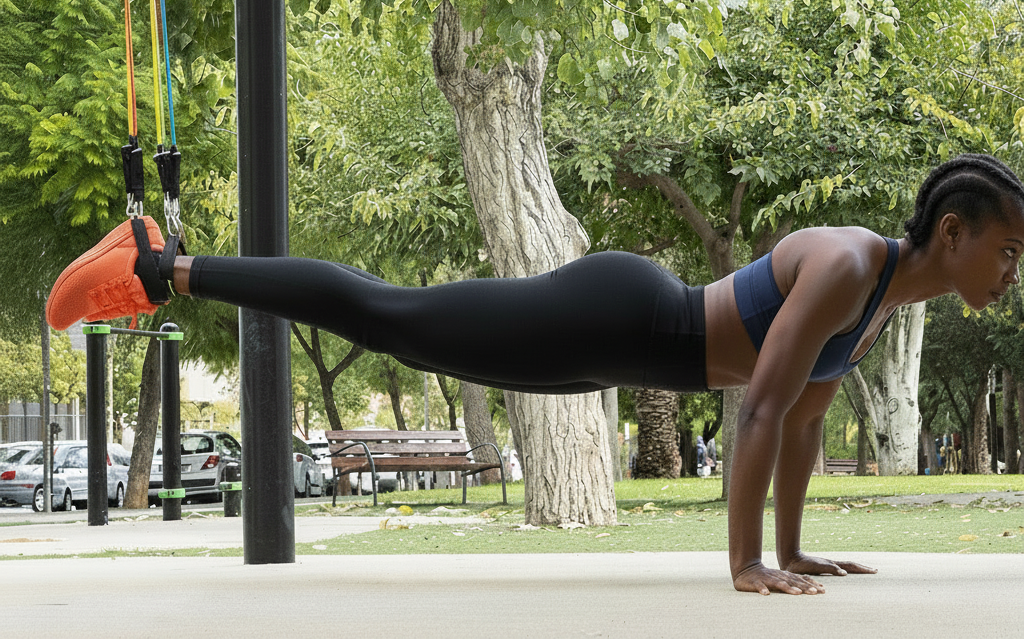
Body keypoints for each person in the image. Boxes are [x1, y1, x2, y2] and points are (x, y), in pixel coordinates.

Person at [45, 153, 1024, 594]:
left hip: (617, 346)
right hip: (618, 315)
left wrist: (794, 549)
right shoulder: (851, 263)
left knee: (408, 332)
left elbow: (804, 427)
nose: (1010, 271)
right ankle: (160, 265)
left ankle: (163, 264)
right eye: (1008, 250)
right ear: (953, 232)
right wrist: (742, 564)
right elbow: (762, 405)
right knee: (392, 314)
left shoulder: (881, 301)